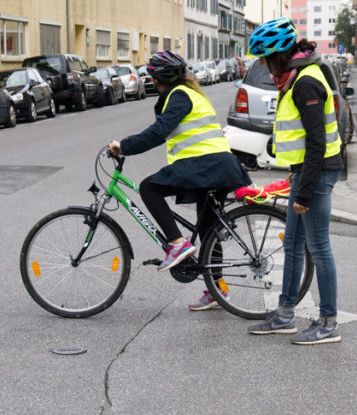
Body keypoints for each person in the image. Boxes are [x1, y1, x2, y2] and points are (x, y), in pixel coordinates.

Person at [108, 50, 252, 310]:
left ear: (157, 78)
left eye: (152, 77)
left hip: (204, 165)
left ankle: (176, 243)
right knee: (209, 229)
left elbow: (158, 132)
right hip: (217, 165)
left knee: (148, 188)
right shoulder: (191, 93)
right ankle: (216, 290)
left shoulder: (179, 96)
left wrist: (123, 146)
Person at [244, 17, 344, 345]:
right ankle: (285, 314)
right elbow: (304, 138)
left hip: (318, 171)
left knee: (319, 247)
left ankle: (328, 322)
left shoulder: (305, 83)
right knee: (292, 245)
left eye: (267, 60)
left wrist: (303, 189)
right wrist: (296, 172)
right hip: (306, 170)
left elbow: (317, 141)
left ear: (280, 55)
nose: (266, 68)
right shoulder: (296, 77)